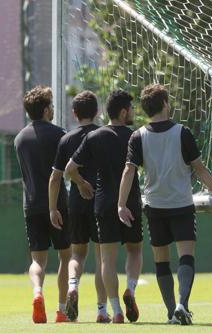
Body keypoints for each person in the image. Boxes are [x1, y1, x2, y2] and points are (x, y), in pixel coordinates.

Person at [117, 84, 212, 325]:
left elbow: (128, 171)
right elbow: (199, 168)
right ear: (164, 104)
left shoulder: (137, 135)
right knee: (186, 256)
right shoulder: (182, 132)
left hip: (154, 206)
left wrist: (121, 204)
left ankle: (172, 311)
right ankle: (182, 305)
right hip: (181, 204)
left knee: (161, 260)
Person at [65, 90, 143, 324]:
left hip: (102, 202)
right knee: (135, 249)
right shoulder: (134, 136)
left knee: (107, 259)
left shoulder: (94, 137)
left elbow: (70, 169)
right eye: (131, 108)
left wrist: (81, 183)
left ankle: (116, 310)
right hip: (129, 201)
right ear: (122, 112)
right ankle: (130, 288)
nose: (133, 112)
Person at [48, 91, 110, 323]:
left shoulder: (66, 139)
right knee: (102, 257)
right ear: (97, 111)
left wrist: (53, 208)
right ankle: (102, 311)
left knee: (77, 254)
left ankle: (73, 285)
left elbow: (56, 177)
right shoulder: (104, 135)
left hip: (75, 203)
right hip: (101, 200)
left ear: (74, 113)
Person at [14, 85, 71, 324]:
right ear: (46, 109)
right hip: (57, 205)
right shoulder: (60, 135)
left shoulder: (19, 139)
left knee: (38, 261)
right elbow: (67, 170)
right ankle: (61, 310)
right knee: (66, 257)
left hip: (31, 205)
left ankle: (37, 292)